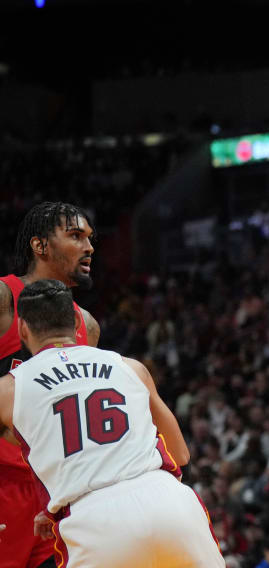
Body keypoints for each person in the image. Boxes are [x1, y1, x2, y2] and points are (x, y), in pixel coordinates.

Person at [0, 280, 223, 567]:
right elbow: (180, 454)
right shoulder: (131, 367)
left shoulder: (9, 389)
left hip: (94, 524)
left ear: (22, 329)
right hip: (172, 508)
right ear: (77, 322)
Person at [0, 202, 102, 568]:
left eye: (90, 237)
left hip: (53, 493)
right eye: (75, 236)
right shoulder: (4, 298)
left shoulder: (86, 325)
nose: (89, 247)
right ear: (39, 246)